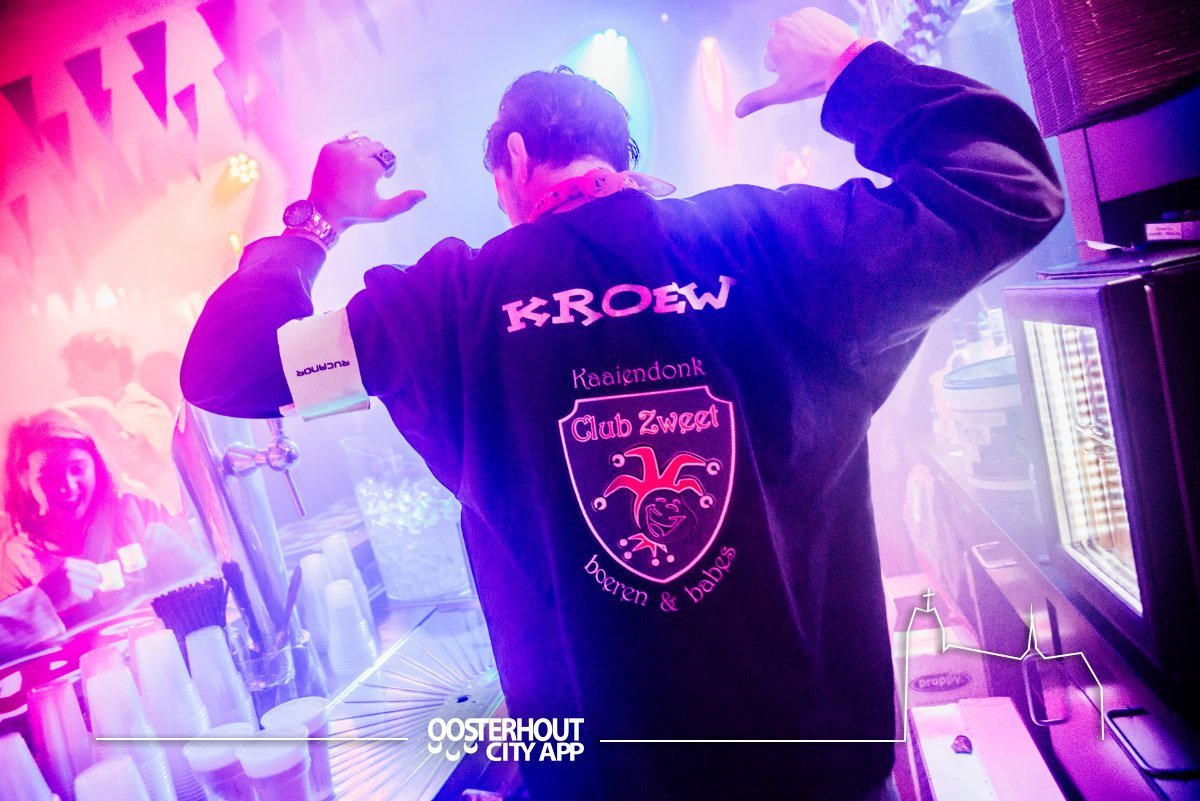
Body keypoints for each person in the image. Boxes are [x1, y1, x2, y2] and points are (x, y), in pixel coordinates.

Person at [181, 9, 1063, 801]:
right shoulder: (771, 245)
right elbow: (1009, 185)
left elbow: (228, 368)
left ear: (514, 162)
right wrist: (853, 69)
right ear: (623, 156)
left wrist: (319, 221)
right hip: (812, 777)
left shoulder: (442, 309)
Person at [0, 410, 211, 661]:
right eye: (49, 476)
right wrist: (47, 600)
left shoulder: (138, 510)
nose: (67, 487)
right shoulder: (15, 557)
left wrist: (181, 556)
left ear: (96, 464)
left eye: (77, 469)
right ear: (24, 480)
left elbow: (210, 584)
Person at [58, 330, 182, 513]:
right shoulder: (113, 415)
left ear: (111, 369)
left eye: (78, 373)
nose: (71, 383)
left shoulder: (144, 412)